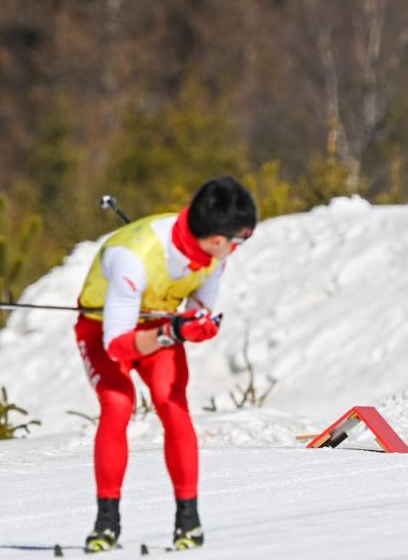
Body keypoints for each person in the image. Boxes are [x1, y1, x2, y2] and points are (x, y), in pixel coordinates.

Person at [74, 176, 257, 552]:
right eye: (240, 241)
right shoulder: (133, 259)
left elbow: (197, 308)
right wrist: (174, 331)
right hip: (101, 327)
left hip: (157, 321)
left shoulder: (213, 256)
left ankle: (188, 520)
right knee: (118, 403)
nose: (239, 249)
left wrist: (196, 324)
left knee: (172, 403)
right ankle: (106, 522)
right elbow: (117, 346)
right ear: (219, 239)